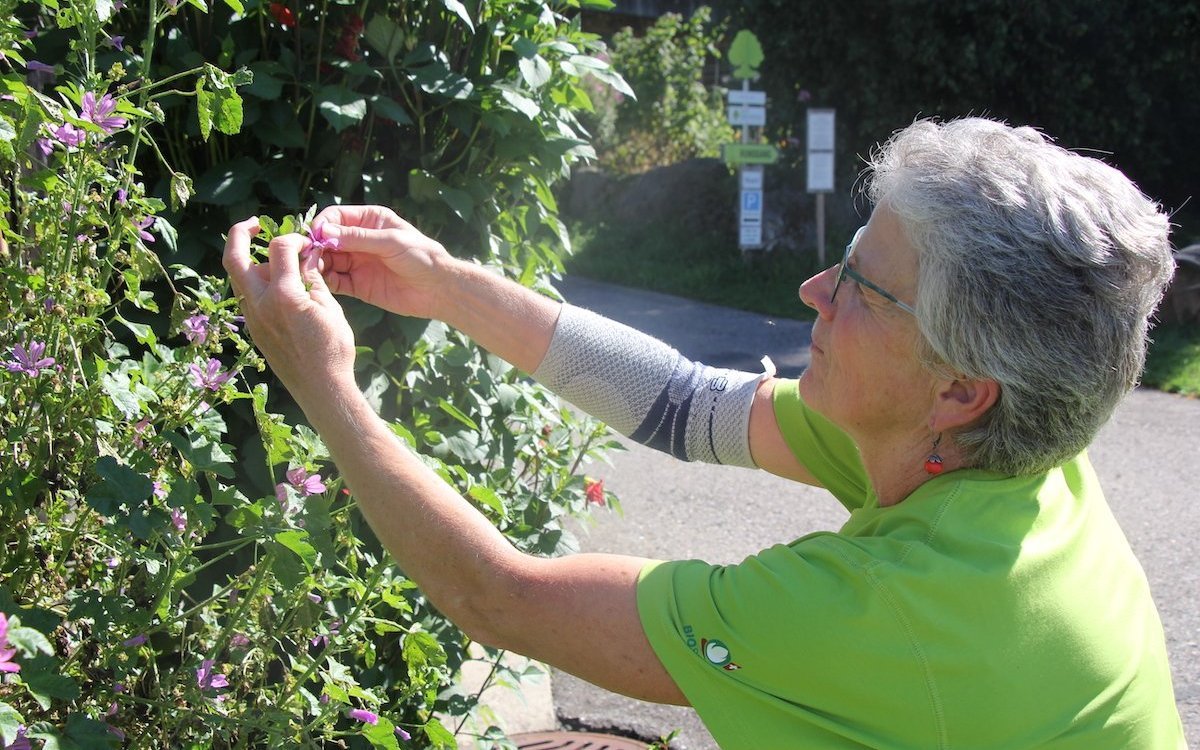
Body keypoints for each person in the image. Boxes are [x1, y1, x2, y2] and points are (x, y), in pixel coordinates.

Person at [223, 117, 1186, 748]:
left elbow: (500, 597)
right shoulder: (1014, 459)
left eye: (861, 286)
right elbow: (688, 404)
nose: (814, 290)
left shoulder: (891, 615)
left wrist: (322, 383)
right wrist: (443, 281)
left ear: (961, 390)